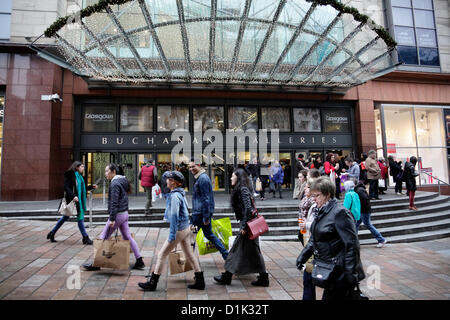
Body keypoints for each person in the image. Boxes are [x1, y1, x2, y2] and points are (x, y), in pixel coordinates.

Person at [296, 176, 365, 300]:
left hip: (340, 271)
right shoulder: (321, 211)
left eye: (316, 195)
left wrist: (350, 273)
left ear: (327, 194)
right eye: (312, 195)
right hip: (329, 268)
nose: (313, 199)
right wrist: (303, 256)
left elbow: (352, 244)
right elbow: (316, 237)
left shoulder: (340, 213)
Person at [138, 171, 204, 291]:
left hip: (179, 229)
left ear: (173, 182)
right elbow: (163, 179)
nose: (166, 181)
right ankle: (200, 280)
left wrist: (172, 234)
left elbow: (174, 216)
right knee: (189, 254)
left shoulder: (174, 196)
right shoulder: (180, 193)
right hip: (185, 228)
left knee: (162, 254)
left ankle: (153, 282)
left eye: (168, 179)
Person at [83, 163, 145, 271]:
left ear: (113, 172)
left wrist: (112, 218)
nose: (105, 174)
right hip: (124, 214)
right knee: (127, 237)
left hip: (117, 215)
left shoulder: (115, 184)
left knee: (103, 237)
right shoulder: (122, 181)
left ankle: (96, 263)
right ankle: (139, 260)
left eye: (107, 171)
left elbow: (114, 202)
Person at [214, 169, 269, 287]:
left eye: (232, 176)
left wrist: (243, 226)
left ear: (238, 177)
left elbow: (248, 208)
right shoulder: (242, 189)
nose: (230, 178)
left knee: (236, 250)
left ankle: (227, 276)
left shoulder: (243, 189)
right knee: (248, 251)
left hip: (248, 226)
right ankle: (262, 277)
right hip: (247, 224)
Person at [47, 161, 97, 244]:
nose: (83, 168)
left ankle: (52, 233)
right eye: (82, 167)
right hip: (73, 201)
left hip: (79, 201)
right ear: (76, 167)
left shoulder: (80, 177)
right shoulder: (70, 175)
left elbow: (81, 189)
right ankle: (85, 237)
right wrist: (73, 196)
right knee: (76, 219)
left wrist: (91, 187)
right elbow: (66, 187)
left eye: (83, 167)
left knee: (70, 218)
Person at [188, 159, 229, 260]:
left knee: (190, 235)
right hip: (200, 213)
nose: (191, 169)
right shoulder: (201, 177)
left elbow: (206, 199)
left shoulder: (202, 179)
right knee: (208, 235)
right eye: (189, 167)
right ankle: (226, 255)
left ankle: (189, 258)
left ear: (199, 166)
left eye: (193, 166)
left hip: (200, 213)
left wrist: (206, 217)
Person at [298, 181, 319, 300]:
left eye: (317, 196)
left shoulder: (332, 210)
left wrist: (307, 224)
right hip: (312, 243)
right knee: (308, 279)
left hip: (320, 250)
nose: (314, 199)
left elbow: (321, 227)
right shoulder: (314, 205)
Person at [354, 181, 387, 248]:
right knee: (356, 224)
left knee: (367, 224)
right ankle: (354, 241)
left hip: (364, 210)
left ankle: (381, 239)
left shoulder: (359, 190)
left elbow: (364, 200)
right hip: (363, 210)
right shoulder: (360, 189)